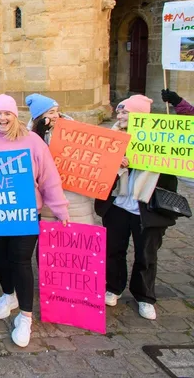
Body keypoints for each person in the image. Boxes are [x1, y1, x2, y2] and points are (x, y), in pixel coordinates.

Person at [0, 94, 69, 348]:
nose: (2, 118)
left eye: (7, 113)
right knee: (0, 256)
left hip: (24, 213)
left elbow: (48, 178)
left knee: (21, 261)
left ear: (15, 115)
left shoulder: (32, 141)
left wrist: (60, 209)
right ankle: (7, 294)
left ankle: (25, 316)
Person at [96, 94, 178, 320]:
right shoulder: (110, 138)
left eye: (126, 112)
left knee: (146, 254)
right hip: (117, 205)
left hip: (147, 207)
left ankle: (144, 296)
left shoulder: (160, 141)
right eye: (120, 112)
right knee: (114, 249)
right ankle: (113, 287)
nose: (120, 116)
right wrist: (114, 161)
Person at [25, 93, 95, 225]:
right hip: (46, 192)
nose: (55, 116)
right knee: (50, 237)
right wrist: (39, 133)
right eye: (51, 112)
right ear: (40, 116)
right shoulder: (29, 136)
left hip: (73, 191)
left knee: (75, 233)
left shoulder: (73, 131)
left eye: (57, 111)